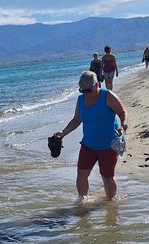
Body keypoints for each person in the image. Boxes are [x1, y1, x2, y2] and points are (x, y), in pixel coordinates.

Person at [54, 71, 128, 200]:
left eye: (89, 90)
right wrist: (63, 132)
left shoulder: (107, 96)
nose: (86, 93)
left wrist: (123, 126)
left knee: (107, 176)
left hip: (109, 145)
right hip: (88, 144)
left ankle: (110, 204)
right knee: (81, 174)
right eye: (82, 91)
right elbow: (77, 119)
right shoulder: (81, 100)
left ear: (97, 84)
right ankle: (83, 202)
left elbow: (122, 112)